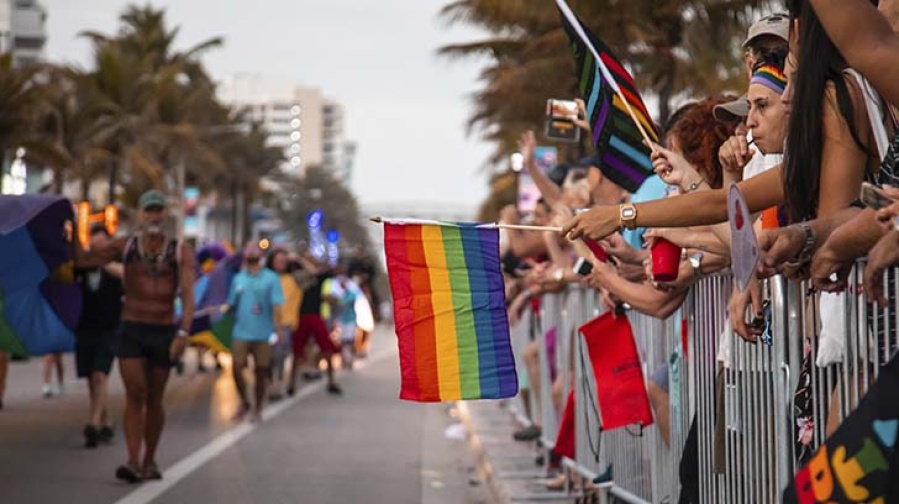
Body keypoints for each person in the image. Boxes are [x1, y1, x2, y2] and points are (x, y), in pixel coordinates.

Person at [75, 189, 195, 483]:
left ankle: (149, 461)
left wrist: (183, 333)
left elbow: (188, 294)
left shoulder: (180, 250)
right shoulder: (125, 246)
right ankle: (132, 461)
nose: (154, 216)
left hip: (163, 330)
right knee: (136, 392)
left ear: (164, 215)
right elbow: (83, 260)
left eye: (158, 210)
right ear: (141, 215)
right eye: (149, 210)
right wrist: (74, 224)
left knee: (155, 397)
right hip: (132, 328)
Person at [74, 225, 124, 448]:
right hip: (85, 327)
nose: (98, 248)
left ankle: (93, 423)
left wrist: (101, 261)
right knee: (90, 378)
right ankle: (105, 421)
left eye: (102, 244)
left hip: (109, 328)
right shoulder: (83, 267)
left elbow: (124, 274)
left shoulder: (116, 263)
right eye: (94, 245)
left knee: (99, 374)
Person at [226, 245, 283, 422]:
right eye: (248, 252)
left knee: (261, 371)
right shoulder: (239, 278)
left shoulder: (271, 278)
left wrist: (277, 328)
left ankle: (258, 407)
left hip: (263, 333)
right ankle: (245, 401)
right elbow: (231, 304)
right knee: (236, 367)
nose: (251, 254)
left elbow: (276, 305)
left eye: (255, 252)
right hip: (241, 331)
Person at [289, 252, 341, 396]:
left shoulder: (319, 277)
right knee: (297, 351)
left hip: (316, 316)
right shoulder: (298, 276)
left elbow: (318, 272)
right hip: (301, 316)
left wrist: (300, 259)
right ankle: (291, 383)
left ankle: (331, 381)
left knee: (326, 348)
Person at [266, 248, 301, 401]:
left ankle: (278, 383)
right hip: (267, 323)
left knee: (281, 355)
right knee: (268, 356)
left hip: (286, 324)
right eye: (277, 260)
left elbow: (313, 274)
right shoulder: (265, 277)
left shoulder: (294, 278)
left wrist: (298, 259)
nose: (280, 263)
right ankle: (270, 383)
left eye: (283, 260)